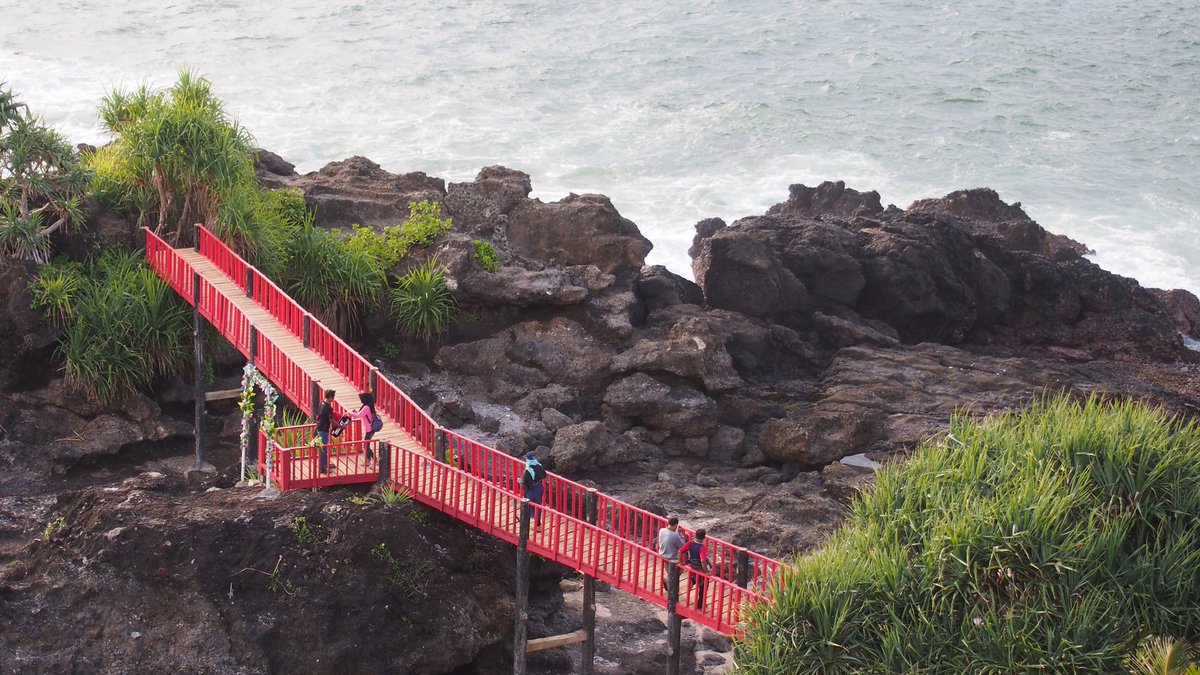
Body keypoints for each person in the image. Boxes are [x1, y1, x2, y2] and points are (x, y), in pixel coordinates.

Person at [348, 391, 380, 468]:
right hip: (370, 428)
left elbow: (359, 415)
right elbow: (361, 414)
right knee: (366, 445)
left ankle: (374, 460)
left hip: (369, 429)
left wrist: (349, 413)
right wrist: (355, 413)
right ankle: (368, 461)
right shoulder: (368, 406)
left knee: (366, 445)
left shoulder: (366, 407)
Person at [682, 528, 711, 609]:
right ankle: (700, 604)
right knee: (703, 586)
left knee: (696, 577)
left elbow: (681, 550)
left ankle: (693, 580)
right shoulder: (702, 547)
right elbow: (703, 561)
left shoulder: (690, 543)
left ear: (695, 535)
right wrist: (706, 571)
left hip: (692, 566)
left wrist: (681, 562)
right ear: (704, 537)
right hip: (699, 568)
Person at [657, 516, 685, 591]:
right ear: (676, 525)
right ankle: (668, 578)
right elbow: (682, 545)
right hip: (671, 557)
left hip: (662, 553)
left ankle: (669, 579)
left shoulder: (661, 530)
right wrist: (680, 534)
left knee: (668, 566)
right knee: (683, 567)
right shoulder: (674, 535)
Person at [519, 452, 547, 527]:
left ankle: (524, 524)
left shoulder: (528, 470)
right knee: (537, 505)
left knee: (527, 505)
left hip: (531, 490)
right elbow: (544, 475)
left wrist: (520, 481)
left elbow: (526, 482)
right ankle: (538, 525)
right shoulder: (539, 465)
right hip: (539, 487)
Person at [315, 389, 335, 475]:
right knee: (323, 449)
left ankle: (325, 464)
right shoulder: (328, 407)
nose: (334, 398)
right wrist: (341, 426)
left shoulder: (321, 403)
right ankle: (322, 468)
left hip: (319, 426)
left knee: (324, 447)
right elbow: (332, 421)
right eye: (333, 397)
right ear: (330, 397)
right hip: (323, 429)